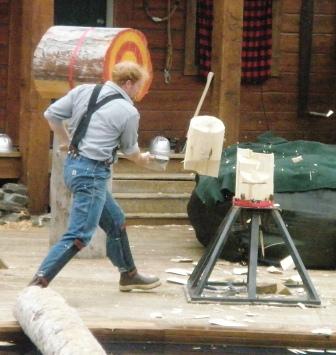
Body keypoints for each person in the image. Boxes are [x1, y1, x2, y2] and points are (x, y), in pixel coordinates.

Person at [29, 61, 161, 292]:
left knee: (115, 221)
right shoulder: (128, 111)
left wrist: (64, 140)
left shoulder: (84, 90)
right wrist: (145, 161)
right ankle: (38, 284)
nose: (139, 93)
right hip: (92, 175)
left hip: (73, 167)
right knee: (79, 235)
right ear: (128, 83)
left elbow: (51, 114)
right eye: (138, 87)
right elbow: (130, 152)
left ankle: (128, 275)